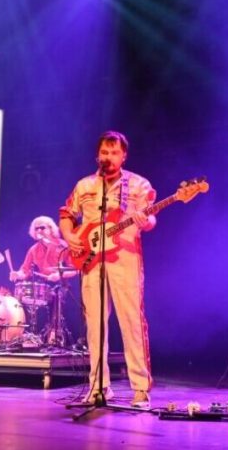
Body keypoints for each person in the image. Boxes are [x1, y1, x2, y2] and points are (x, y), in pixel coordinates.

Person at [59, 130, 156, 409]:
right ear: (97, 156)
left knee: (131, 321)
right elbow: (67, 214)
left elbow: (150, 220)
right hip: (91, 259)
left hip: (125, 258)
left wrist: (145, 221)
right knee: (95, 325)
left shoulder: (138, 184)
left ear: (124, 156)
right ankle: (98, 387)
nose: (109, 157)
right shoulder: (85, 185)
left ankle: (140, 389)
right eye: (104, 152)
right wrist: (69, 235)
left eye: (114, 152)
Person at [9, 216, 69, 283]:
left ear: (51, 229)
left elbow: (75, 269)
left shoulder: (63, 245)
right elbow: (25, 270)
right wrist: (17, 274)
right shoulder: (33, 249)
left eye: (42, 228)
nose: (39, 231)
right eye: (36, 229)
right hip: (44, 285)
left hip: (61, 284)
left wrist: (60, 275)